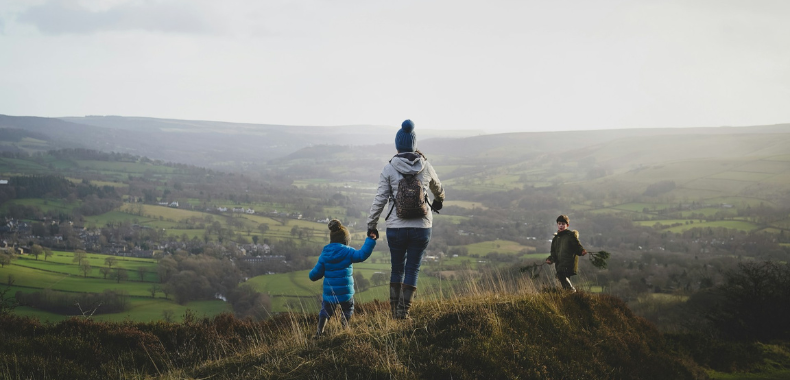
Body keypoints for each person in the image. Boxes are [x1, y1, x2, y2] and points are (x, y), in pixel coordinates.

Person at [367, 119, 445, 319]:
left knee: (397, 269)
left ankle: (394, 313)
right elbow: (438, 188)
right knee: (412, 268)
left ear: (397, 145)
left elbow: (380, 200)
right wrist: (438, 202)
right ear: (414, 144)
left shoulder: (389, 168)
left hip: (396, 228)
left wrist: (372, 225)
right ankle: (404, 313)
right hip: (421, 227)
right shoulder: (425, 165)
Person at [309, 219, 377, 338]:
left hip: (330, 292)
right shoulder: (348, 252)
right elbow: (362, 255)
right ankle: (345, 326)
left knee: (325, 311)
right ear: (346, 240)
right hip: (345, 293)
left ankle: (320, 332)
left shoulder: (325, 254)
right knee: (348, 308)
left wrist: (312, 274)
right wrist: (370, 240)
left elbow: (314, 275)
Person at [545, 215, 587, 292]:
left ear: (567, 225)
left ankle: (571, 290)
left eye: (563, 224)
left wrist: (581, 251)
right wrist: (550, 259)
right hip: (559, 263)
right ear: (557, 224)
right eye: (559, 224)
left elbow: (576, 246)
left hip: (569, 262)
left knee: (561, 275)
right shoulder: (555, 239)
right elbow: (553, 253)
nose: (561, 226)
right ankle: (569, 294)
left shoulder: (570, 235)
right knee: (561, 277)